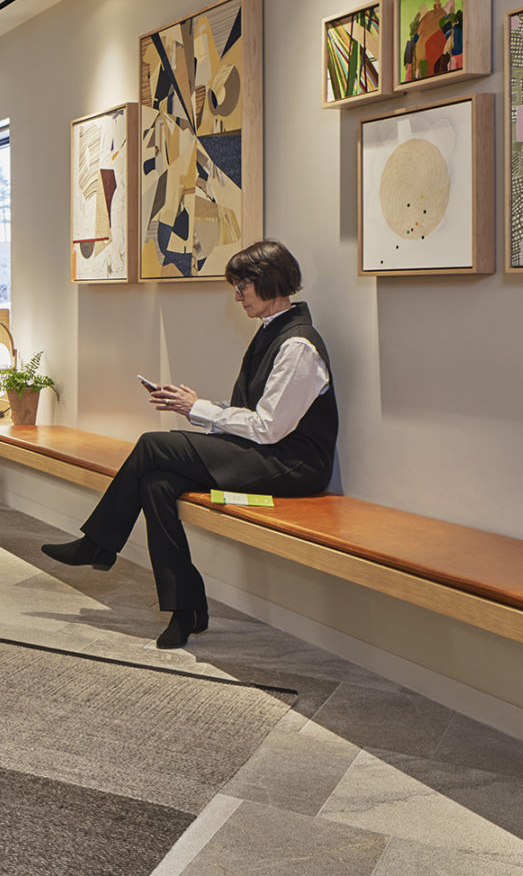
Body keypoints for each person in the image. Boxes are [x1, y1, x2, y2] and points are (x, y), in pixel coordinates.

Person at [39, 240, 337, 649]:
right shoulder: (273, 333)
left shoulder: (297, 345)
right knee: (156, 483)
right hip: (268, 455)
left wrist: (200, 409)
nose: (237, 296)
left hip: (293, 466)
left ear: (267, 281)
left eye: (242, 286)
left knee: (151, 444)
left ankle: (98, 544)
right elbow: (257, 416)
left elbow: (269, 428)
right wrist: (197, 407)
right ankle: (186, 610)